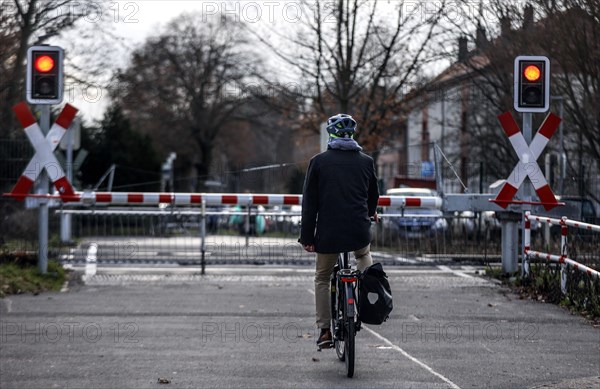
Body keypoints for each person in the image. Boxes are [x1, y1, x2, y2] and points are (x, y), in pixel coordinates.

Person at [298, 113, 380, 349]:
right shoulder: (366, 162)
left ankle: (325, 331)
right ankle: (366, 296)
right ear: (352, 135)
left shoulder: (319, 162)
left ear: (331, 135)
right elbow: (372, 195)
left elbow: (309, 204)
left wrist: (307, 238)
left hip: (329, 233)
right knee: (363, 257)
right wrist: (371, 211)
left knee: (322, 277)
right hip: (358, 231)